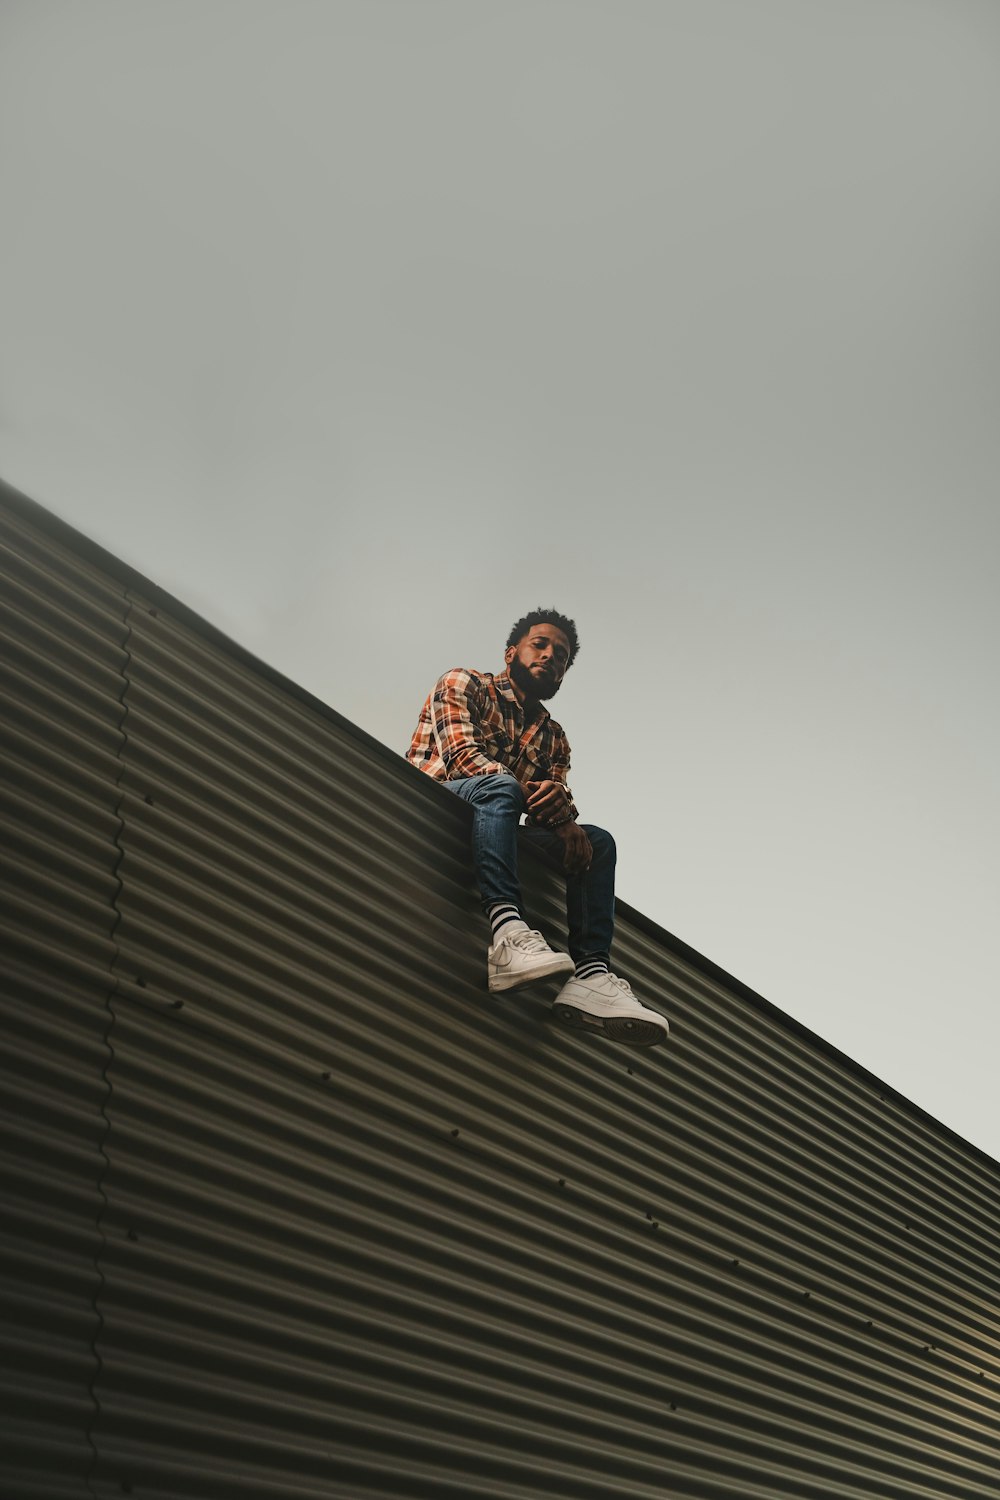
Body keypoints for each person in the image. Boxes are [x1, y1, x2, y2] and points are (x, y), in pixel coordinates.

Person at [407, 609, 669, 1046]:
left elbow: (552, 803)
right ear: (512, 652)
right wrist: (539, 799)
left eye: (562, 656)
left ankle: (590, 976)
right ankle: (508, 935)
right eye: (541, 645)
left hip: (500, 818)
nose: (551, 656)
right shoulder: (464, 682)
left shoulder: (555, 737)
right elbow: (462, 760)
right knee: (500, 787)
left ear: (564, 675)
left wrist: (565, 818)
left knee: (596, 841)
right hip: (441, 799)